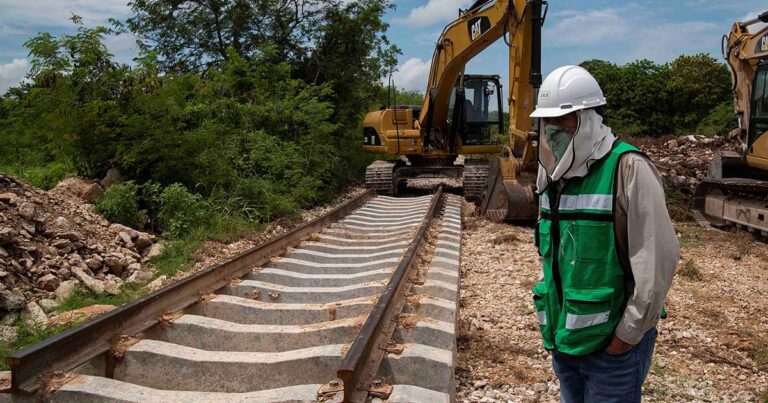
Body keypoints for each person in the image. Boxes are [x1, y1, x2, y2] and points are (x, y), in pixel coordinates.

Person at [529, 65, 679, 402]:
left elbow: (656, 262)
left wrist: (626, 336)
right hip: (564, 342)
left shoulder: (628, 168)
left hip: (612, 353)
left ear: (589, 117)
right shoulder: (552, 176)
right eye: (547, 121)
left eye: (564, 120)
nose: (553, 129)